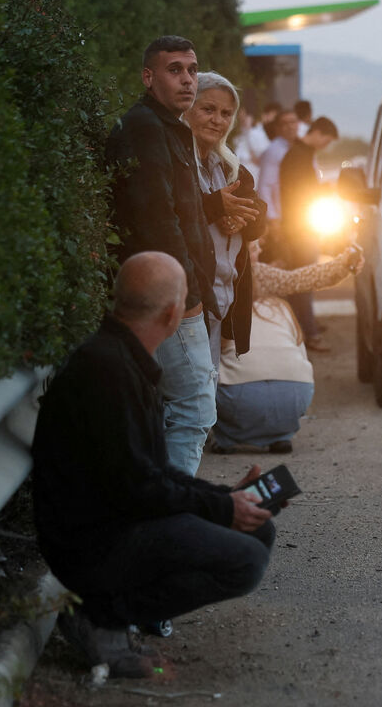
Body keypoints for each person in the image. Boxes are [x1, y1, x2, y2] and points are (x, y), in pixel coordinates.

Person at [32, 252, 276, 678]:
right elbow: (141, 487)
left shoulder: (121, 359)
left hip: (116, 521)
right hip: (93, 545)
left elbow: (152, 475)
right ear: (172, 313)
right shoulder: (109, 371)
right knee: (246, 561)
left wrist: (226, 498)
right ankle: (100, 617)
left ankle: (112, 614)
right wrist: (221, 507)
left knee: (258, 529)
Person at [105, 35, 216, 476]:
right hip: (168, 296)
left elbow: (180, 210)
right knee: (194, 408)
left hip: (173, 292)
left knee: (171, 409)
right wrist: (184, 296)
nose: (188, 80)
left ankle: (162, 500)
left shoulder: (168, 127)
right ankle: (174, 506)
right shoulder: (145, 127)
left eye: (192, 70)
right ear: (148, 78)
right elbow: (156, 218)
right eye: (175, 70)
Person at [212, 244, 364, 454]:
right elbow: (299, 280)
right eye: (253, 248)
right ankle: (279, 434)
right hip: (296, 390)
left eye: (259, 246)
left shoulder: (258, 273)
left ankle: (226, 437)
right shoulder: (262, 289)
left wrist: (342, 265)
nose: (259, 252)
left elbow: (300, 279)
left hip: (236, 393)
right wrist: (343, 264)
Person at [182, 72, 266, 368]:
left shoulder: (231, 169)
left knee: (207, 386)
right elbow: (168, 217)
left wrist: (242, 218)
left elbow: (258, 220)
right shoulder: (176, 164)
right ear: (187, 109)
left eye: (226, 113)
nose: (217, 120)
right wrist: (216, 207)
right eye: (208, 109)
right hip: (187, 309)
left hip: (221, 306)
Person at [277, 116, 339, 351]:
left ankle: (304, 328)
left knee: (302, 280)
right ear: (318, 133)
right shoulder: (298, 156)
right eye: (327, 141)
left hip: (299, 226)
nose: (326, 146)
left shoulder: (300, 154)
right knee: (304, 280)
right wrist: (322, 190)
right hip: (299, 228)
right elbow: (298, 193)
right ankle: (308, 332)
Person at [254, 109, 302, 255]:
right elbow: (265, 186)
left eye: (293, 122)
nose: (290, 126)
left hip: (298, 215)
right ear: (278, 128)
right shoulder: (273, 150)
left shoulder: (300, 147)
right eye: (285, 123)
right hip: (281, 217)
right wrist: (273, 219)